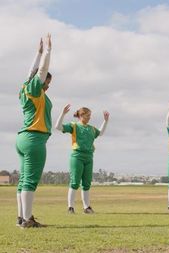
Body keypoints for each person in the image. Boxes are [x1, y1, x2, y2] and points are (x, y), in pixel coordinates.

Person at [16, 34, 52, 228]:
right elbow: (40, 72)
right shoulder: (36, 89)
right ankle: (27, 220)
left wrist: (37, 53)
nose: (48, 84)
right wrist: (47, 51)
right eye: (47, 81)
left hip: (23, 138)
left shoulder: (25, 88)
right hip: (34, 138)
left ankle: (21, 217)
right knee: (30, 180)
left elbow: (31, 72)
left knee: (23, 180)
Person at [55, 105, 109, 214]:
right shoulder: (74, 126)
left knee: (86, 183)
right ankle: (70, 207)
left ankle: (87, 207)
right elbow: (58, 127)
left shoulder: (91, 129)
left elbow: (101, 133)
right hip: (77, 156)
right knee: (75, 182)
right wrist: (63, 114)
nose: (89, 118)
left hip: (89, 157)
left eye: (90, 116)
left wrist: (105, 121)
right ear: (81, 116)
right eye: (87, 115)